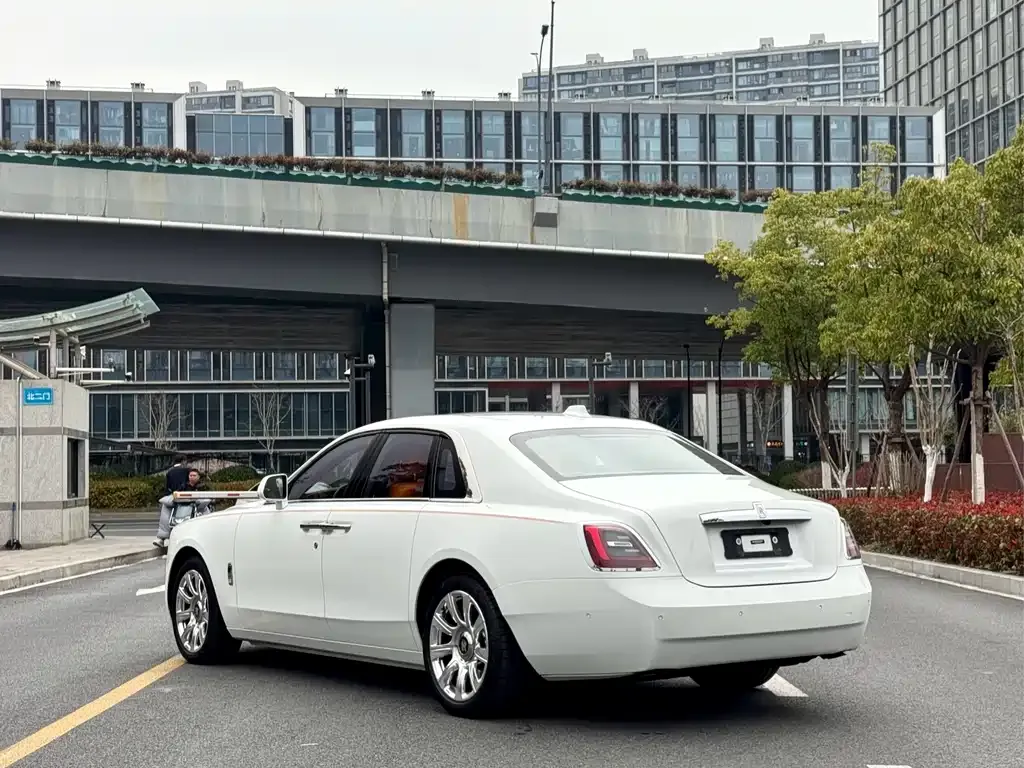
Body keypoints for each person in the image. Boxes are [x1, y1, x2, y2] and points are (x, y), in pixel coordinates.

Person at [155, 459, 197, 548]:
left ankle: (161, 538)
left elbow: (168, 487)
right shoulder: (187, 471)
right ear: (183, 461)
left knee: (165, 511)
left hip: (175, 497)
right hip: (190, 497)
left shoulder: (169, 472)